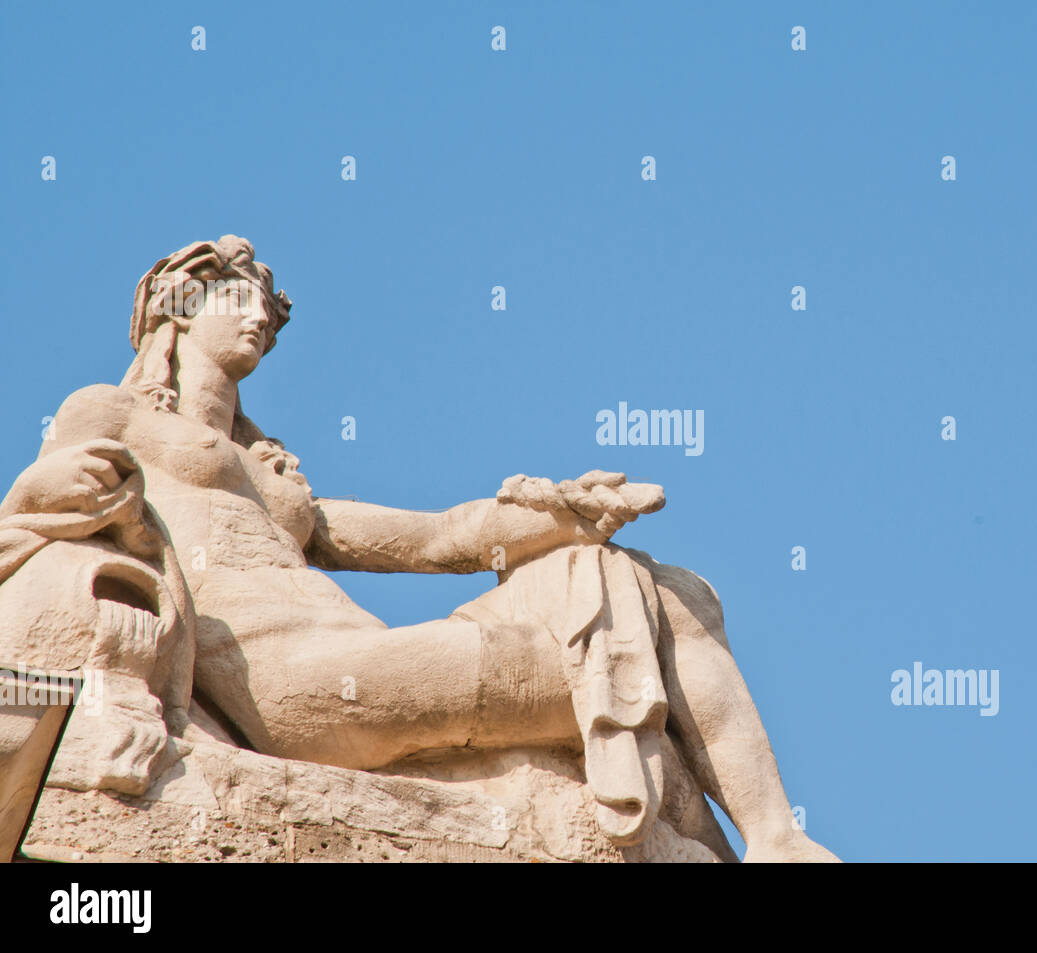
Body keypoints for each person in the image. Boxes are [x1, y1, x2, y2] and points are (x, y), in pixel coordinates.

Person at [12, 236, 837, 861]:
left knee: (641, 583)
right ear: (181, 303)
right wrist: (71, 493)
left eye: (272, 302)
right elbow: (28, 509)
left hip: (367, 650)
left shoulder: (280, 484)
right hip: (287, 680)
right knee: (617, 668)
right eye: (242, 294)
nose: (263, 312)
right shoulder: (110, 413)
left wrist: (566, 512)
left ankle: (775, 836)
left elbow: (443, 537)